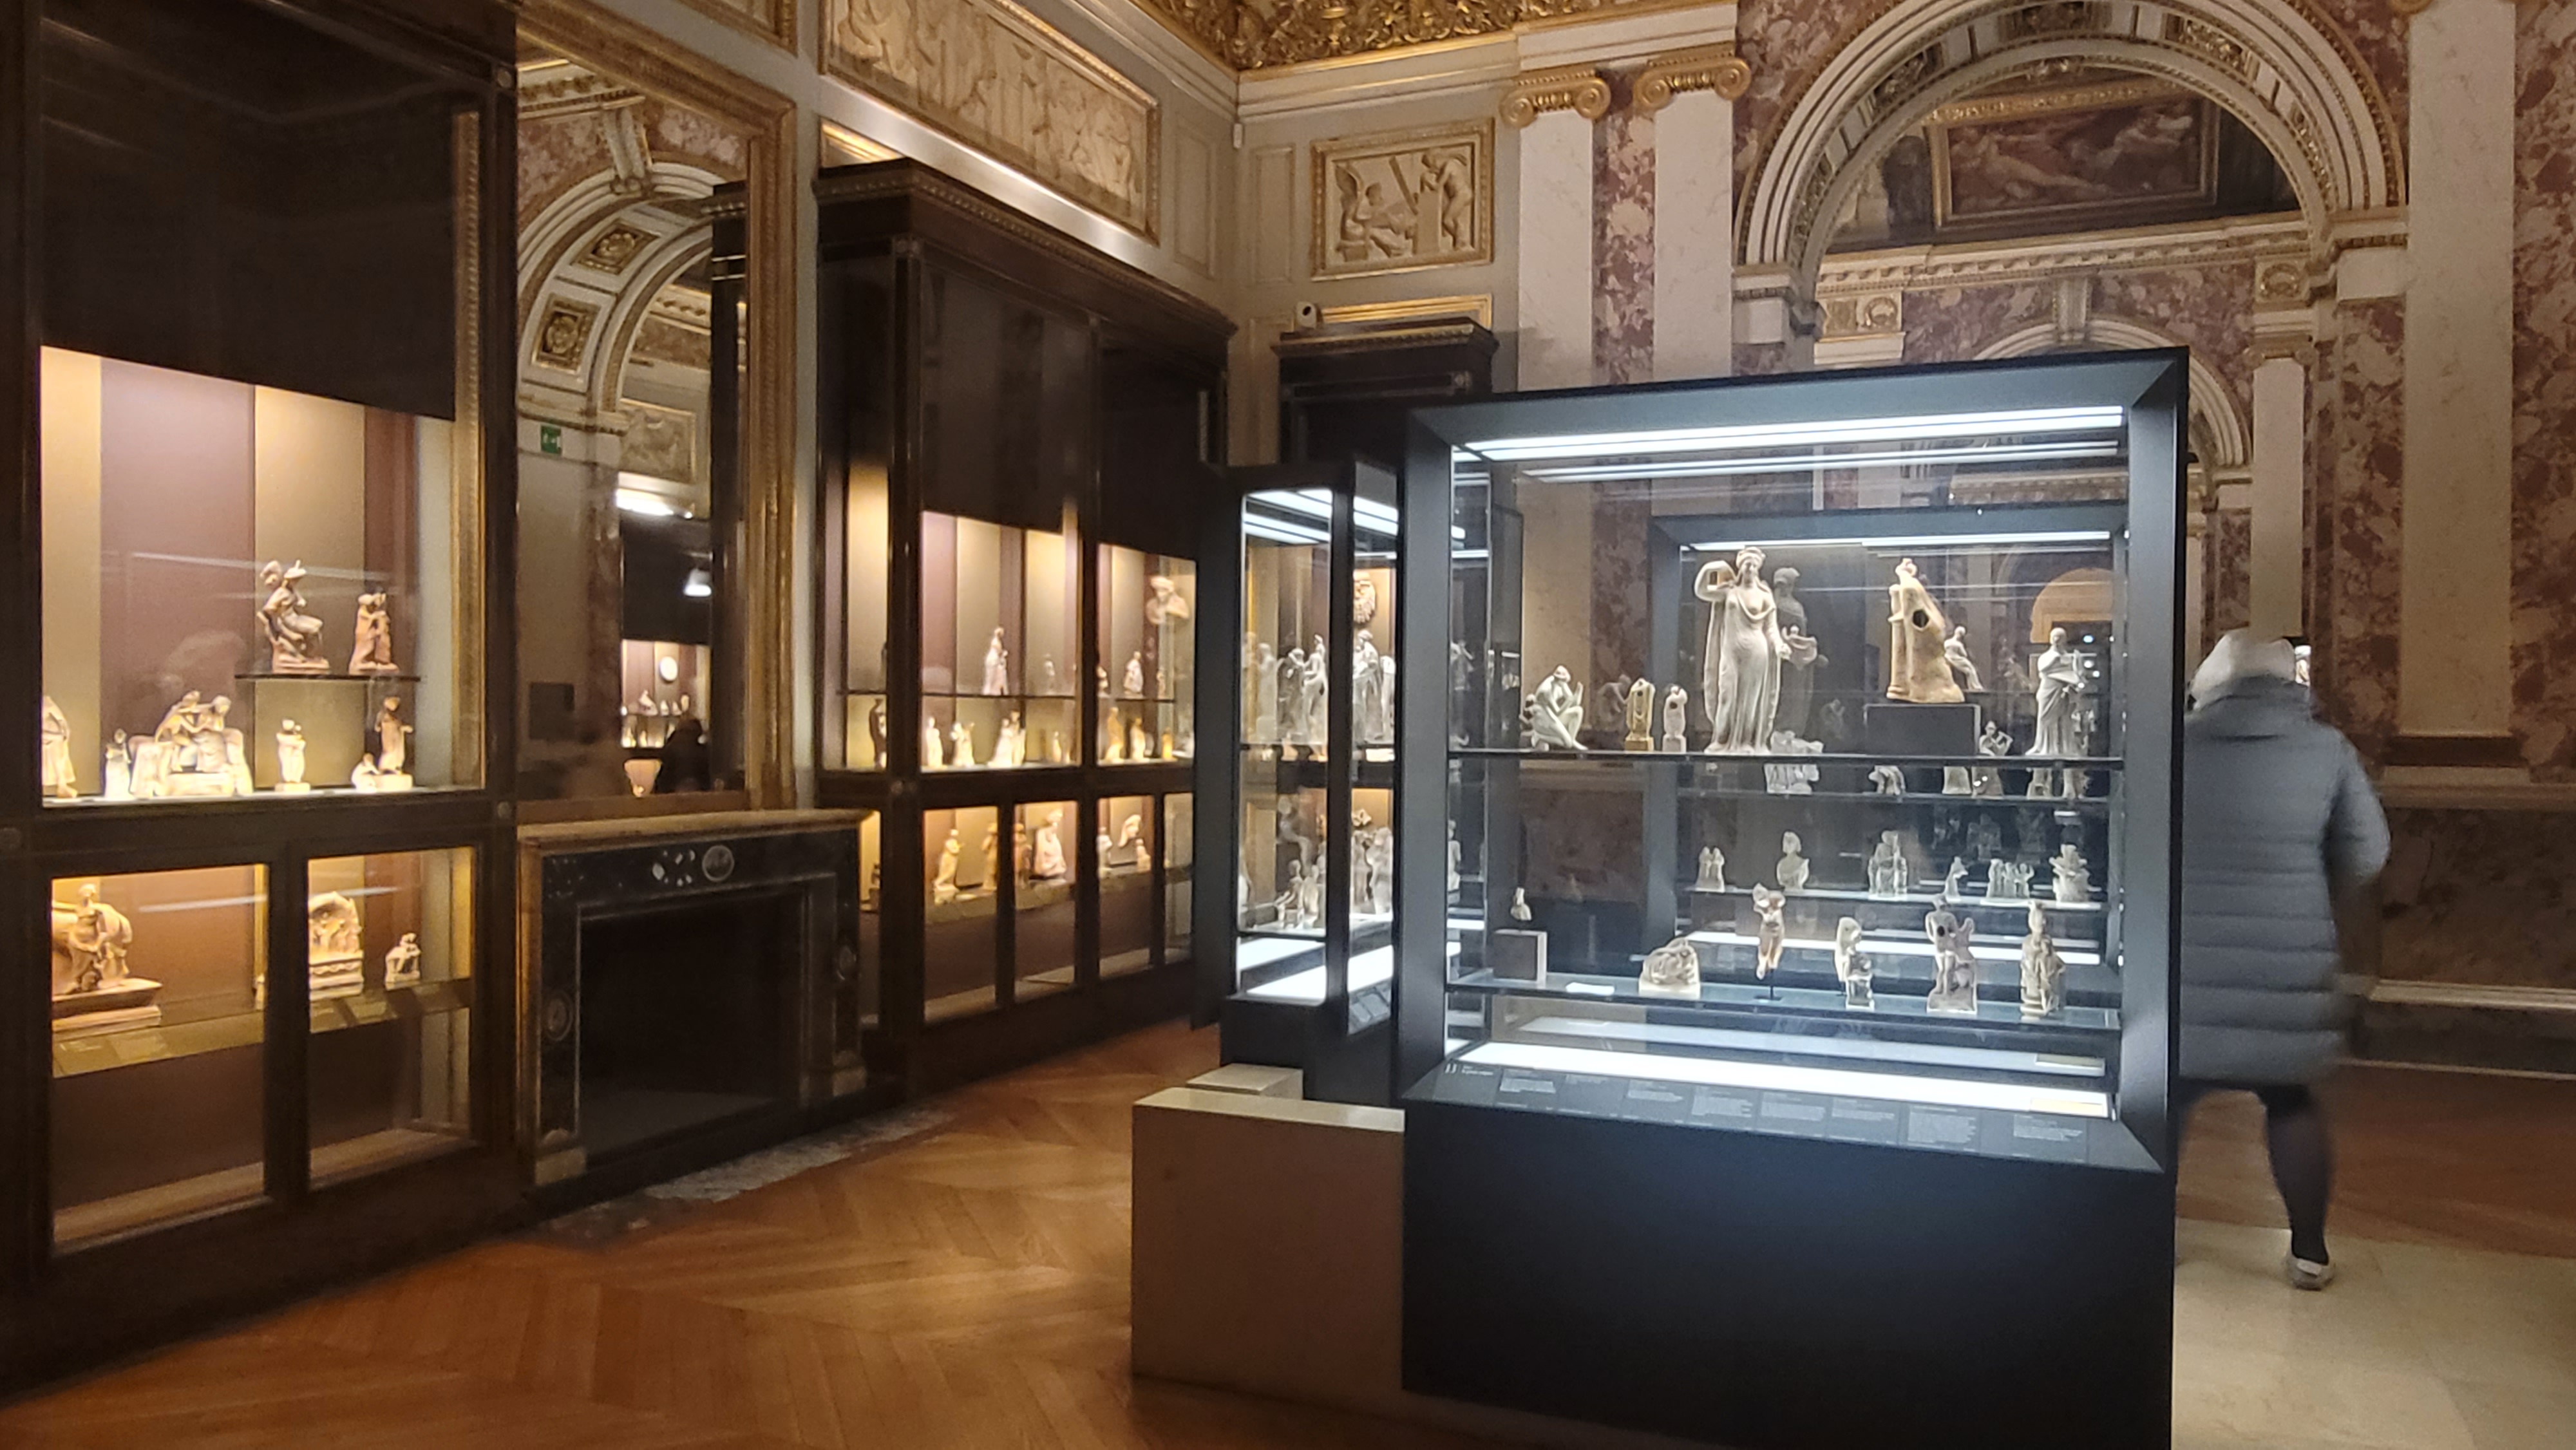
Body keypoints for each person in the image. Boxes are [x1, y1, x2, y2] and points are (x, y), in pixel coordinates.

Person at [2178, 630, 2387, 1290]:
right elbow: (2369, 852)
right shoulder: (2327, 750)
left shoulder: (2175, 744)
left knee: (2166, 1099)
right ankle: (2309, 1251)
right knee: (2292, 1100)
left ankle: (2150, 1234)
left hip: (2182, 958)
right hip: (2290, 957)